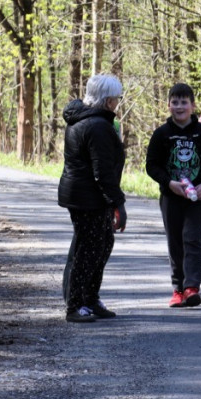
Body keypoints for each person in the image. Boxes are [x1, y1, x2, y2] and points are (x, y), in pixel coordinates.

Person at [146, 83, 201, 307]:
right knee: (175, 242)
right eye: (175, 102)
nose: (179, 107)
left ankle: (191, 288)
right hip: (171, 197)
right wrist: (168, 183)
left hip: (198, 197)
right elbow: (152, 165)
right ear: (168, 105)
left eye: (184, 102)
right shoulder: (162, 134)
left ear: (193, 105)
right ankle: (177, 289)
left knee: (192, 239)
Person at [58, 74, 127, 323]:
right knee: (89, 250)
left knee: (102, 245)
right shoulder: (96, 125)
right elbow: (103, 172)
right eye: (117, 98)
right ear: (109, 100)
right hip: (87, 198)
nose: (118, 102)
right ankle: (75, 305)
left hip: (88, 196)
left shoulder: (87, 120)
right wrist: (118, 203)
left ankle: (90, 298)